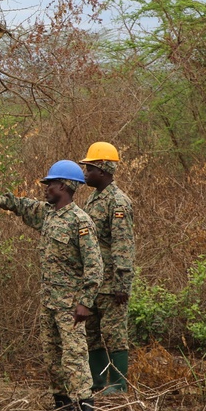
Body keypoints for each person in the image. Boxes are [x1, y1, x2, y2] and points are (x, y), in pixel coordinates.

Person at [0, 160, 103, 411]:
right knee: (52, 356)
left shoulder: (80, 222)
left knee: (75, 356)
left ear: (64, 186)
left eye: (50, 184)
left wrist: (85, 303)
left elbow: (95, 266)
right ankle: (63, 407)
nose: (46, 188)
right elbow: (20, 204)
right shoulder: (47, 214)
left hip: (70, 306)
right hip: (49, 302)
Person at [79, 142, 135, 394]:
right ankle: (98, 382)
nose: (85, 173)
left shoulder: (118, 202)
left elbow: (123, 245)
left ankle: (118, 384)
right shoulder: (93, 199)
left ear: (102, 169)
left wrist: (123, 284)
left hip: (112, 284)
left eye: (89, 168)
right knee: (91, 332)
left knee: (114, 334)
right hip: (93, 282)